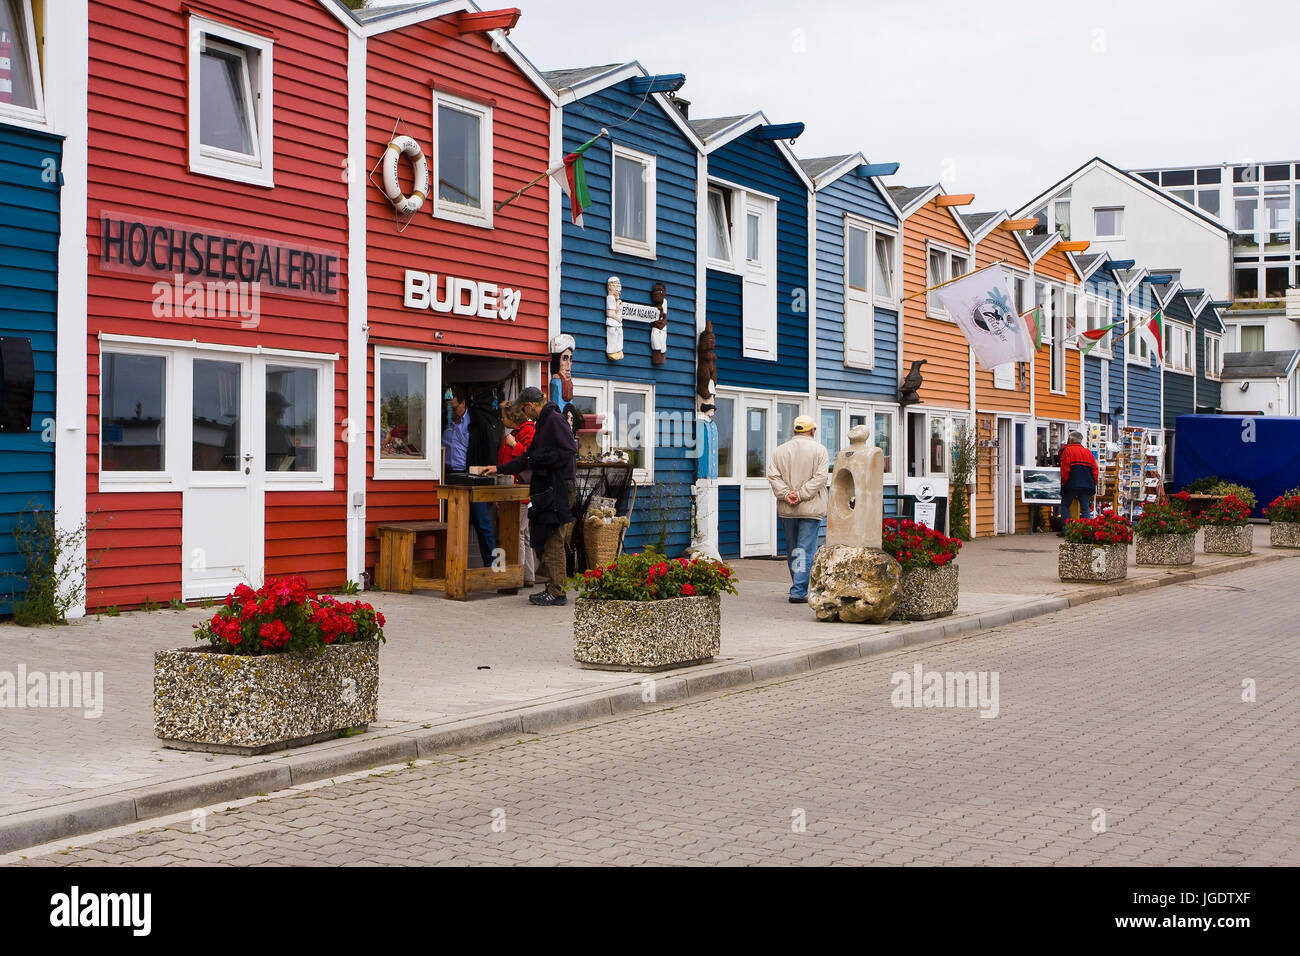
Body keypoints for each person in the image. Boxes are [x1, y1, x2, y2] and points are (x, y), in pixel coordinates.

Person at [485, 388, 578, 607]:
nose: (527, 416)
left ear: (530, 406)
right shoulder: (545, 423)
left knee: (553, 539)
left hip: (559, 489)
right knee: (547, 537)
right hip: (553, 488)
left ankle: (557, 592)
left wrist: (539, 458)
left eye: (526, 411)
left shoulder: (554, 420)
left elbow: (567, 451)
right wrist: (499, 468)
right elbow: (528, 458)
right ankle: (555, 588)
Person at [767, 415, 829, 603]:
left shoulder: (780, 451)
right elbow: (820, 478)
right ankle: (798, 590)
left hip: (787, 508)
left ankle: (797, 585)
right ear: (812, 431)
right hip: (810, 508)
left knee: (793, 548)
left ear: (794, 431)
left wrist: (787, 494)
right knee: (805, 549)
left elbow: (773, 476)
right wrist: (801, 494)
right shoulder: (820, 450)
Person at [441, 384, 497, 566]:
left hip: (473, 477)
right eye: (448, 407)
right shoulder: (444, 420)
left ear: (464, 403)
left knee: (482, 522)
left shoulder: (478, 422)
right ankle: (454, 565)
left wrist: (489, 479)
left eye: (455, 407)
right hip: (449, 477)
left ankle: (492, 565)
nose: (452, 411)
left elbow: (489, 450)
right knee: (452, 523)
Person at [498, 399, 537, 587]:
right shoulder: (517, 432)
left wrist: (514, 445)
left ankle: (519, 576)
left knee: (519, 532)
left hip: (521, 490)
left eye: (504, 416)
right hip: (515, 489)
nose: (502, 419)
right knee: (524, 533)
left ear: (512, 417)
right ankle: (528, 575)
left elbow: (530, 457)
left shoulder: (527, 432)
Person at [1057, 430, 1099, 533]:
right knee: (1085, 508)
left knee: (1065, 505)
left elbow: (1065, 469)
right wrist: (1095, 482)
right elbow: (1095, 470)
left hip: (1072, 483)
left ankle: (1067, 530)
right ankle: (1086, 531)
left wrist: (1064, 482)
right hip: (1086, 485)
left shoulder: (1067, 451)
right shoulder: (1088, 452)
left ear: (1071, 439)